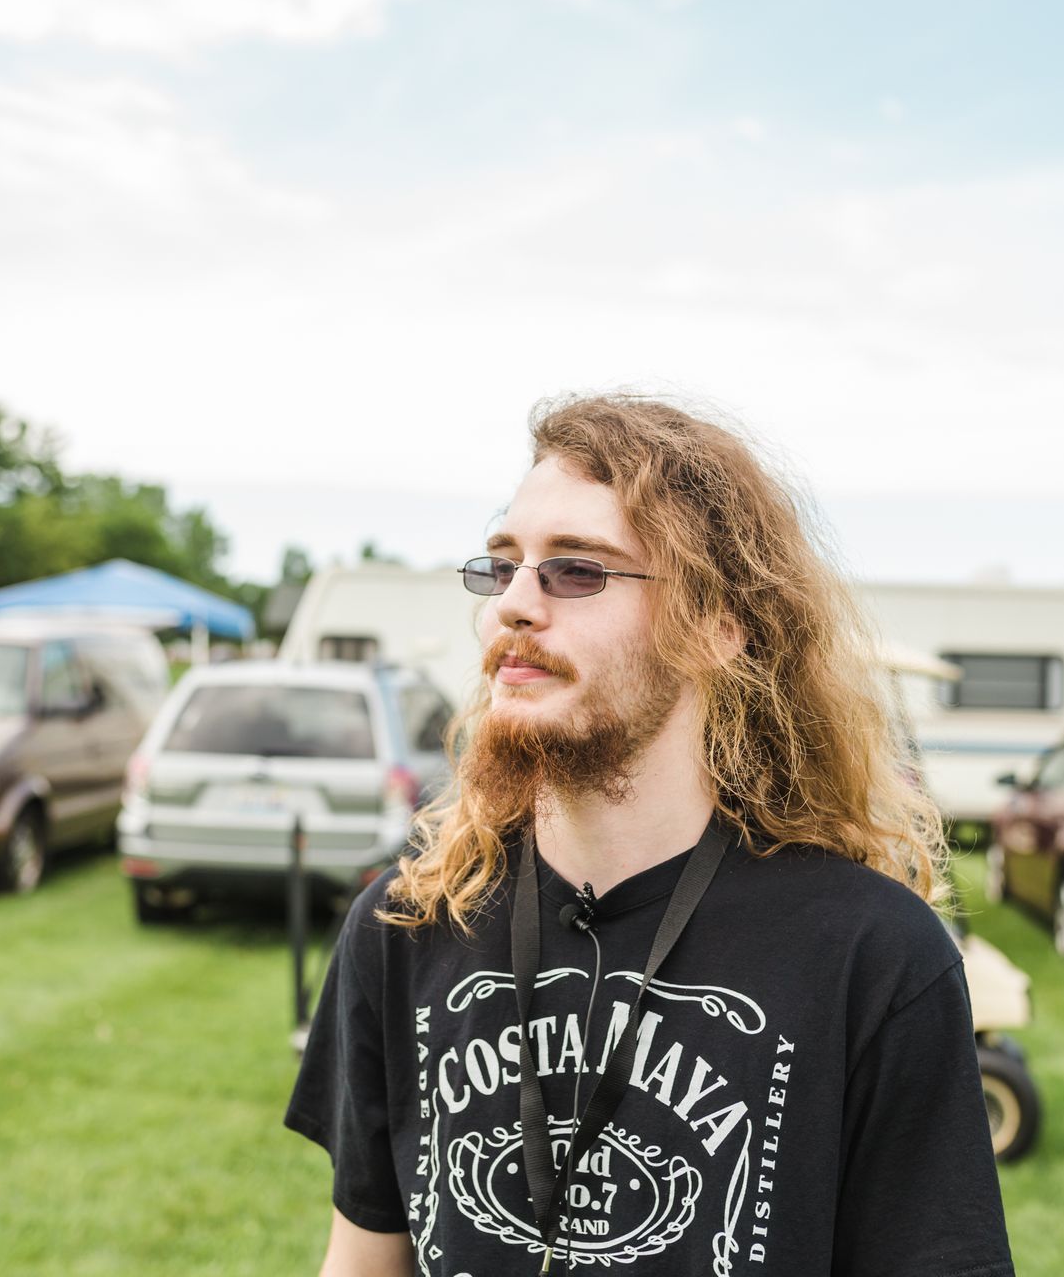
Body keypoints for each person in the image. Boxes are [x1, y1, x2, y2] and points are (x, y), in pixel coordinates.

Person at [285, 394, 1015, 1276]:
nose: (512, 605)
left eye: (577, 570)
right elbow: (363, 1261)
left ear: (717, 627)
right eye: (503, 565)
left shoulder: (873, 955)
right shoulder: (403, 927)